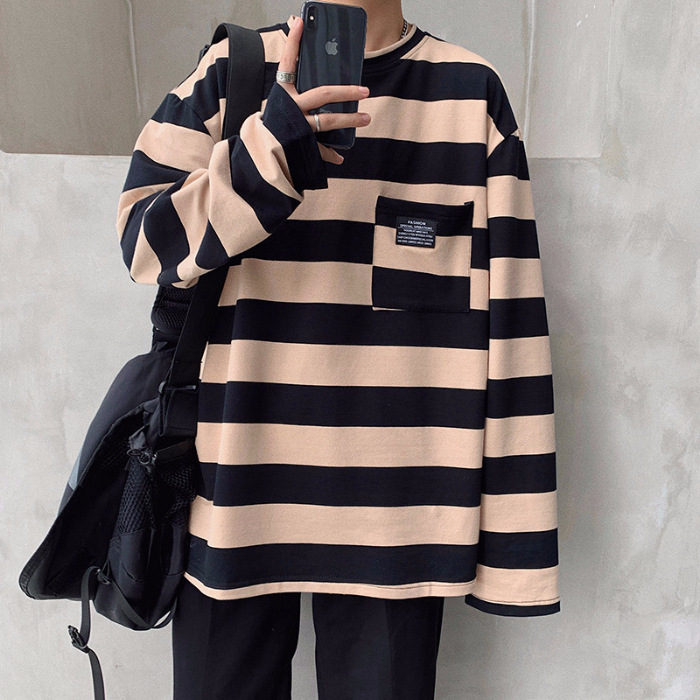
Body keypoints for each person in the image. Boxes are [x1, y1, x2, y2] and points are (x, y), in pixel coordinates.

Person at [115, 1, 560, 698]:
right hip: (229, 494)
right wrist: (268, 152)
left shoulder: (470, 92)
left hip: (397, 517)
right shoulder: (233, 71)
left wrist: (516, 542)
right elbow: (144, 247)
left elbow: (514, 324)